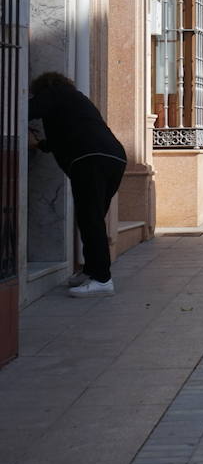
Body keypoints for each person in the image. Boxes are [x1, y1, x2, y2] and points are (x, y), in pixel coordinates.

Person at [28, 72, 128, 298]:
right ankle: (91, 271)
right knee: (91, 218)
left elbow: (27, 111)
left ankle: (102, 279)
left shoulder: (54, 92)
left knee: (90, 219)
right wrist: (41, 144)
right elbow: (66, 135)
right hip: (114, 157)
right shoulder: (76, 100)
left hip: (90, 159)